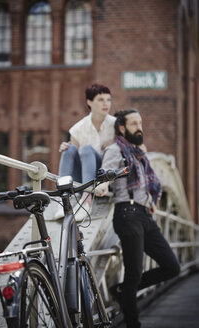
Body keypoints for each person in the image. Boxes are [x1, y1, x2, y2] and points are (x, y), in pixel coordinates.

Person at [96, 109, 180, 328]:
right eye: (134, 124)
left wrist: (151, 200)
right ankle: (133, 323)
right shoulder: (116, 150)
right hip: (127, 214)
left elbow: (150, 183)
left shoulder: (139, 155)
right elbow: (106, 172)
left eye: (140, 122)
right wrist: (103, 184)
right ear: (122, 128)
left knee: (172, 266)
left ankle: (123, 291)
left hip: (144, 215)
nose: (139, 127)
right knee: (133, 273)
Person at [54, 83, 116, 221]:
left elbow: (129, 150)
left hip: (107, 181)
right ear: (89, 102)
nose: (106, 104)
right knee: (69, 148)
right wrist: (67, 146)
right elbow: (72, 154)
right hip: (85, 180)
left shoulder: (116, 125)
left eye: (108, 100)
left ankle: (87, 202)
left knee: (87, 149)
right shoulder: (78, 128)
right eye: (101, 100)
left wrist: (115, 142)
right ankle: (62, 199)